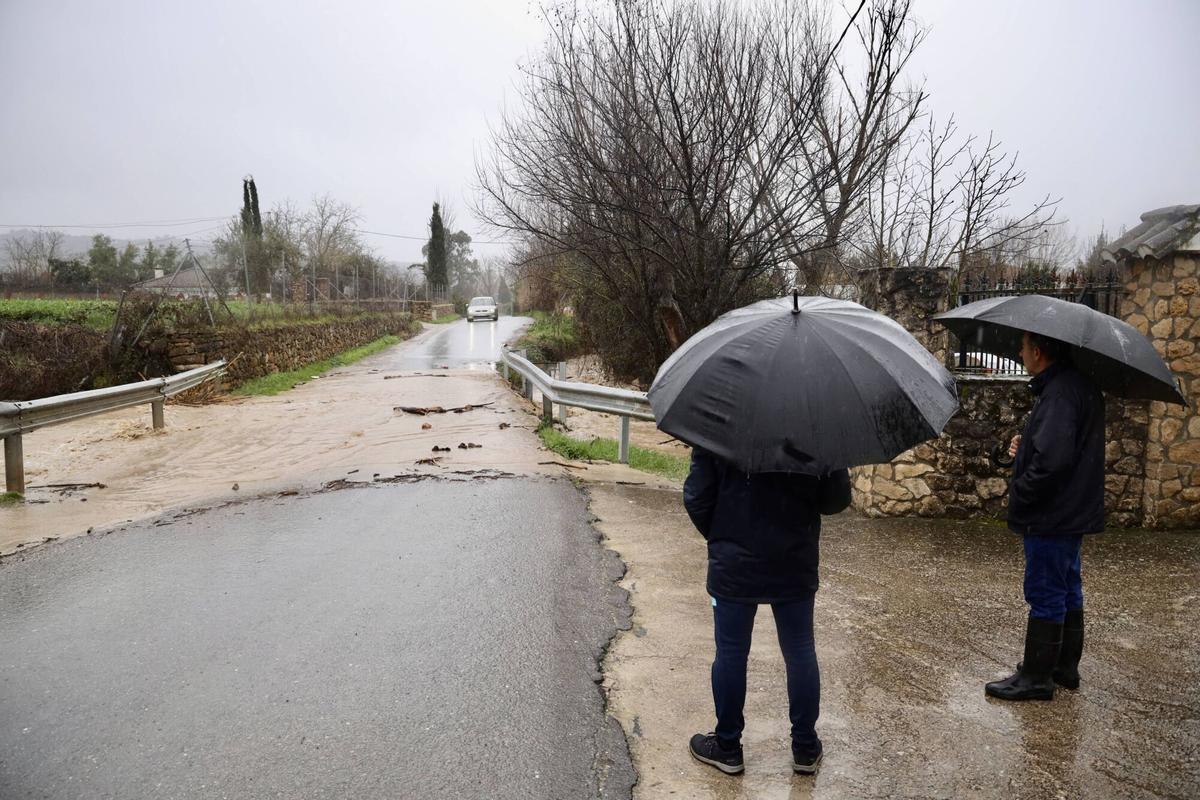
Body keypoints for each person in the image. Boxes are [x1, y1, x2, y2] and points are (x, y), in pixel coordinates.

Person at [682, 447, 851, 776]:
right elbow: (836, 500)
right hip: (794, 559)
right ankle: (805, 748)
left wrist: (722, 538)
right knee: (800, 651)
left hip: (733, 563)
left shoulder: (717, 418)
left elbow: (697, 497)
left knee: (731, 652)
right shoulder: (817, 424)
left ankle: (728, 748)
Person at [985, 331, 1104, 701]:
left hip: (1053, 514)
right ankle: (1063, 667)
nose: (1020, 354)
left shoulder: (1059, 394)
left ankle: (1037, 677)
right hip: (1070, 510)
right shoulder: (1073, 387)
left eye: (1022, 348)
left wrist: (1022, 491)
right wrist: (1024, 449)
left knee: (1046, 591)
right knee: (1067, 586)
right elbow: (1057, 447)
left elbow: (1052, 462)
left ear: (1037, 352)